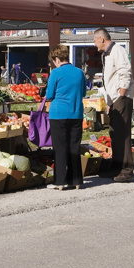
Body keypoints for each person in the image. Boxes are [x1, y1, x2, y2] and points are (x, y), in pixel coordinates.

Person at [93, 28, 134, 183]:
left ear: (102, 39)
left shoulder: (117, 50)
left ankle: (126, 170)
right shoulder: (107, 54)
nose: (94, 44)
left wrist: (122, 93)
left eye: (95, 40)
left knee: (122, 133)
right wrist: (110, 101)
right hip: (115, 98)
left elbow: (125, 71)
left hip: (121, 97)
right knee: (114, 132)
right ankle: (117, 167)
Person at [45, 44, 87, 190]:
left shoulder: (55, 73)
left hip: (58, 113)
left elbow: (49, 95)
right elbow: (83, 93)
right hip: (76, 112)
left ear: (56, 59)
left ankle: (60, 181)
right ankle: (76, 180)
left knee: (60, 147)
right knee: (74, 146)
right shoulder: (79, 72)